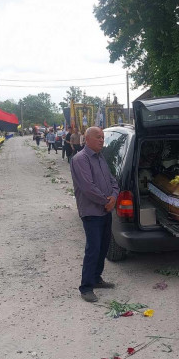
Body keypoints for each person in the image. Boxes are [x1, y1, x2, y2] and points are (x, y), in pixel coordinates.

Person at [70, 127, 119, 303]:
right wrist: (106, 201)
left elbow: (112, 180)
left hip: (106, 209)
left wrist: (114, 197)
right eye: (98, 137)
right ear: (87, 139)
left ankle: (97, 278)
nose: (101, 140)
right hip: (92, 212)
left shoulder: (100, 157)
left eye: (103, 137)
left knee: (104, 246)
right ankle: (86, 287)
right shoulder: (80, 159)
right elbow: (88, 187)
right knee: (93, 249)